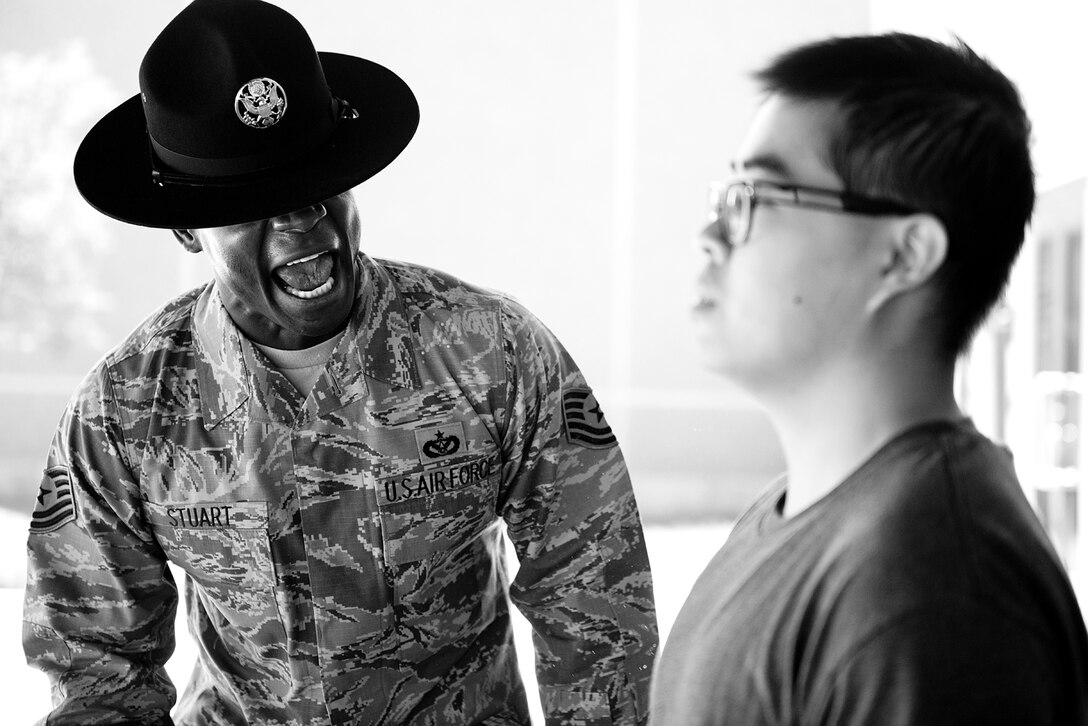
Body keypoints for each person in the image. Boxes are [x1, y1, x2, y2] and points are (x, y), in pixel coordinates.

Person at [22, 1, 657, 724]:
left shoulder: (493, 351)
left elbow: (597, 608)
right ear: (186, 229)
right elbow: (95, 669)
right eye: (255, 201)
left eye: (320, 183)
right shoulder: (123, 411)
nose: (302, 219)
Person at [651, 32, 1088, 725]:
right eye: (728, 194)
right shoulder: (802, 510)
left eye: (758, 196)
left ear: (904, 255)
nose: (712, 235)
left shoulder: (937, 590)